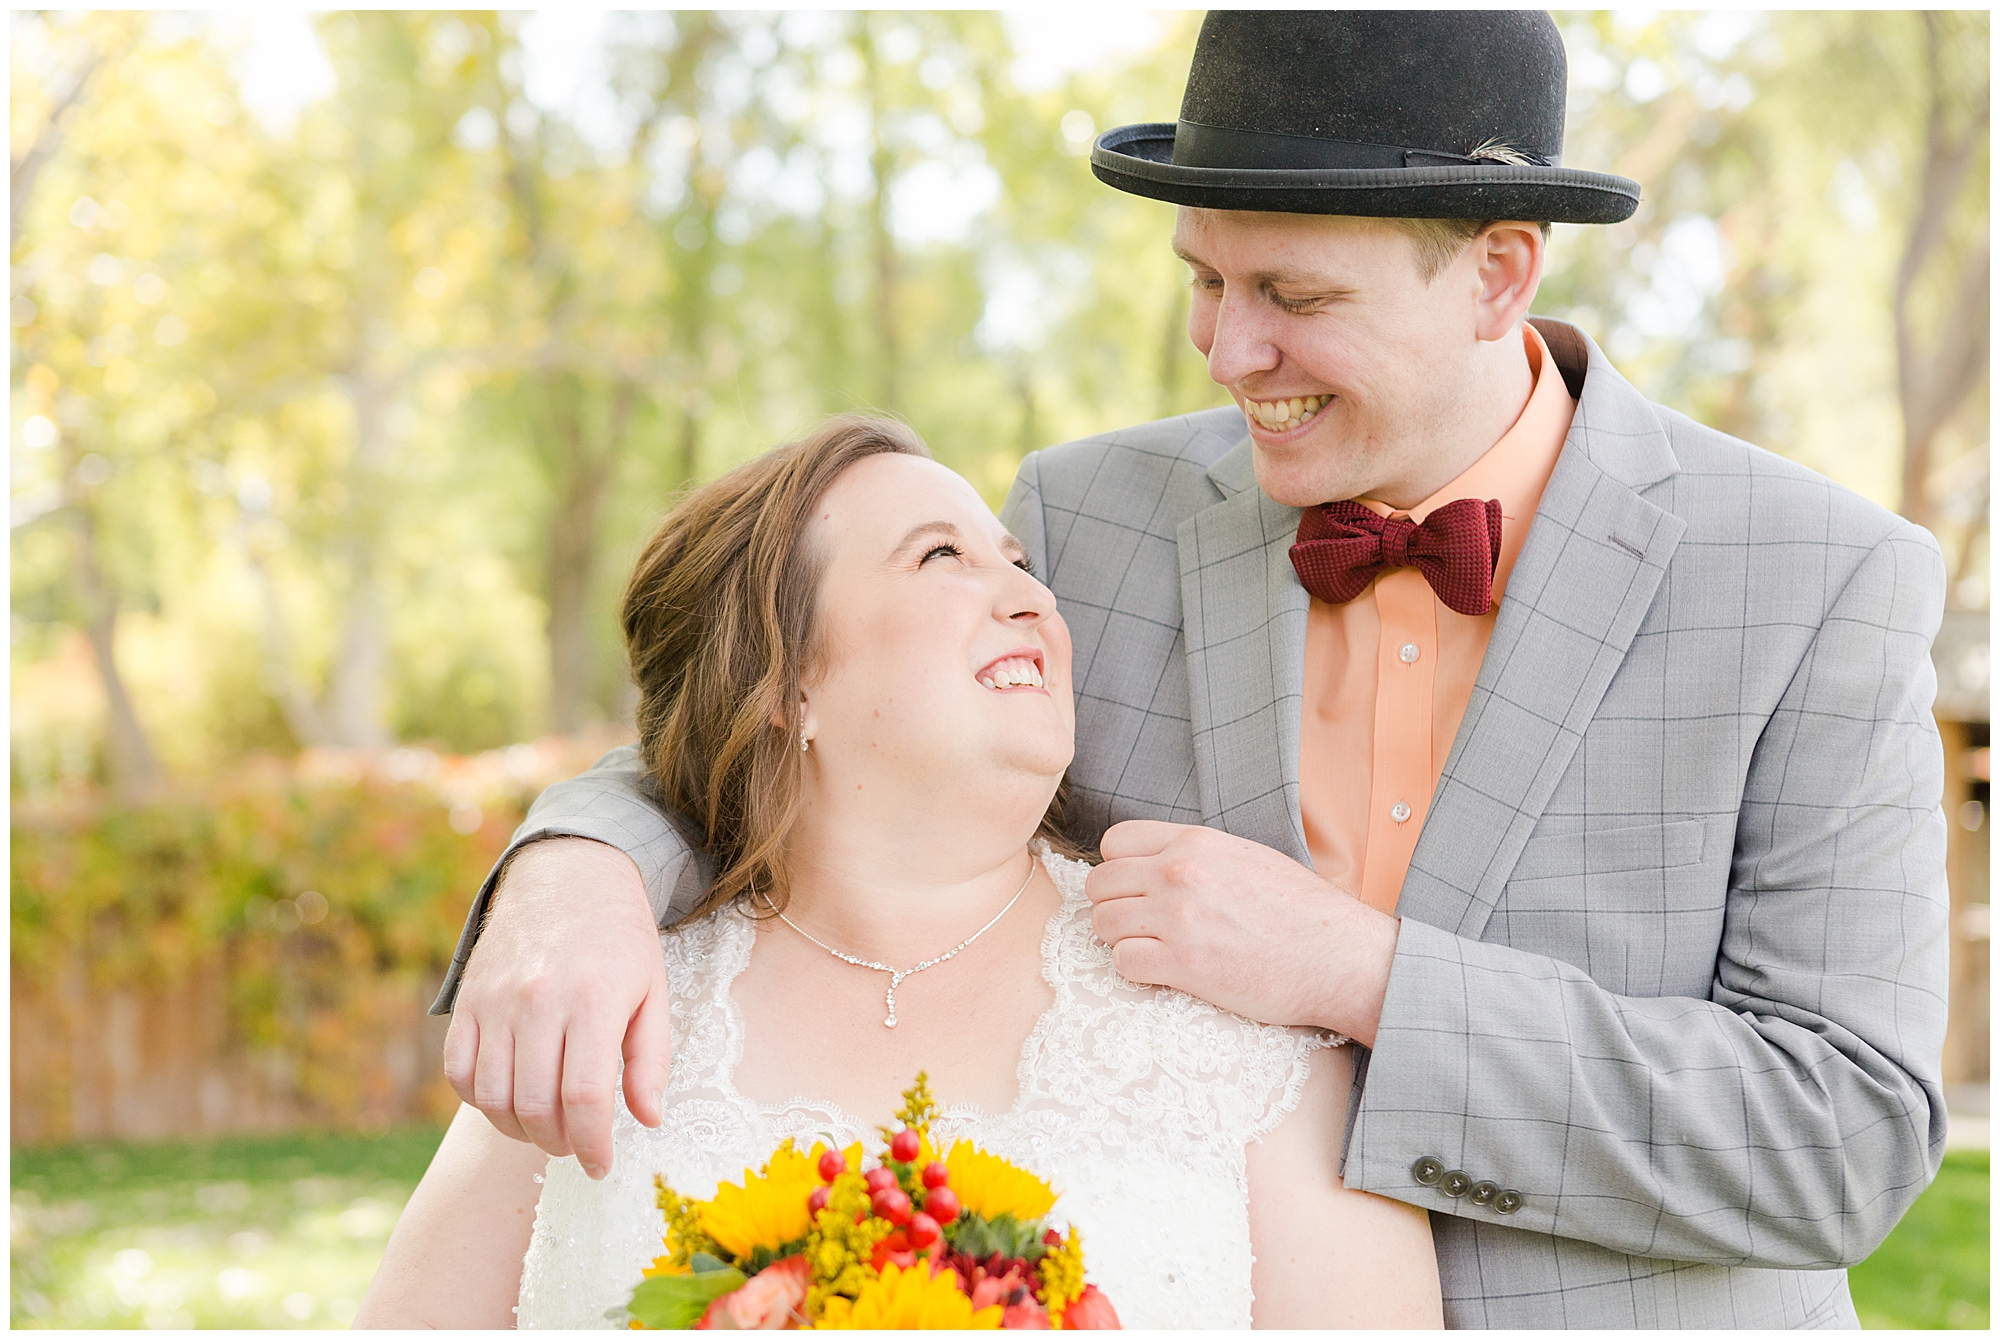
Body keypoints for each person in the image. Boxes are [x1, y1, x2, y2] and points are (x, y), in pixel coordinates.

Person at [431, 12, 1950, 1330]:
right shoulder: (1084, 520)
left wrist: (1358, 976)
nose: (1225, 353)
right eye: (1202, 280)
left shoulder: (1818, 584)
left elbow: (1847, 1142)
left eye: (1291, 296)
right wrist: (577, 869)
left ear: (1497, 276)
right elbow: (792, 703)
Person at [357, 416, 1443, 1328]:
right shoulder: (598, 999)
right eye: (940, 557)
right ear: (785, 682)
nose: (1031, 598)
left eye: (1019, 562)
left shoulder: (1234, 1007)